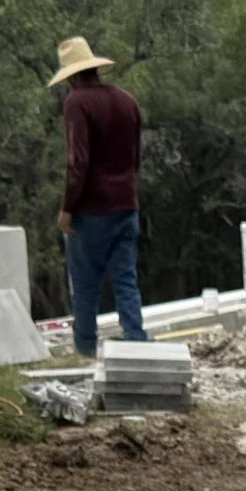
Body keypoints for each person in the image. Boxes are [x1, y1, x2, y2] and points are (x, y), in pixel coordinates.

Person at [52, 34, 145, 358]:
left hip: (92, 210)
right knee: (125, 279)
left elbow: (78, 163)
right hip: (126, 203)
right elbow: (136, 159)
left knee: (86, 285)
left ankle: (86, 350)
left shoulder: (77, 103)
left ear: (72, 76)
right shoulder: (126, 100)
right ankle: (137, 341)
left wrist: (67, 209)